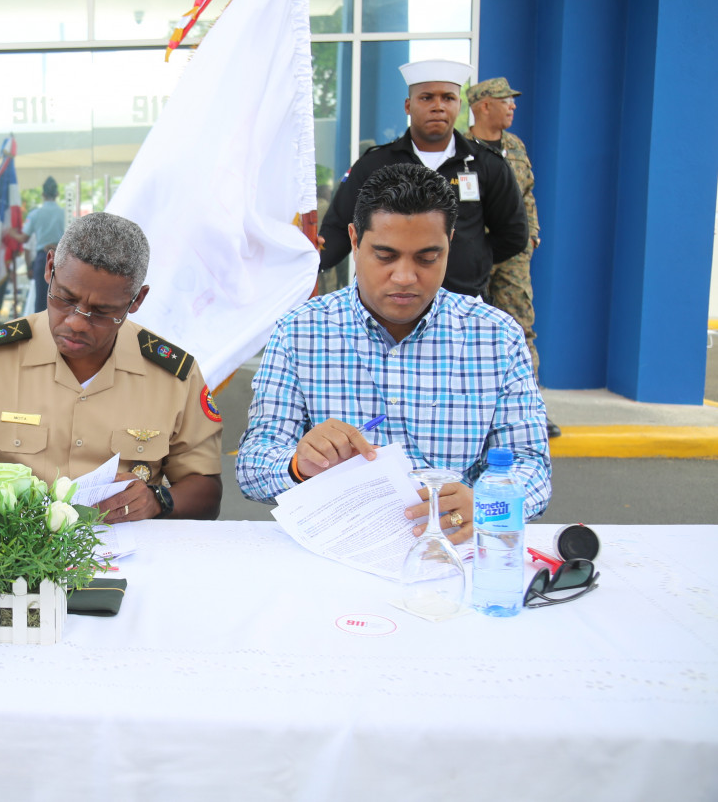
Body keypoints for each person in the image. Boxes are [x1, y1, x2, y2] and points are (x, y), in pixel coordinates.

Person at [238, 163, 551, 542]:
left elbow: (531, 465)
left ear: (450, 243)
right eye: (385, 256)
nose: (404, 277)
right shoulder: (300, 331)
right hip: (337, 549)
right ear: (354, 240)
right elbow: (253, 466)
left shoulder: (495, 336)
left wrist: (488, 504)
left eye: (427, 258)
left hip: (453, 548)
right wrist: (298, 465)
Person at [0, 212, 224, 523]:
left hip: (129, 544)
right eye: (65, 298)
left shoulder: (172, 375)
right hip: (11, 545)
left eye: (101, 311)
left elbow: (206, 489)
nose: (76, 322)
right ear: (50, 267)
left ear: (136, 300)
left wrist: (157, 500)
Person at [317, 59, 528, 300]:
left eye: (448, 98)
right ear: (408, 105)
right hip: (387, 302)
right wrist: (312, 259)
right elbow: (339, 229)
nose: (438, 106)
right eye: (426, 98)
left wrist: (472, 258)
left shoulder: (486, 164)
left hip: (461, 301)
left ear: (459, 105)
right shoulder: (375, 164)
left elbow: (513, 234)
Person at [466, 76, 560, 438]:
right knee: (466, 328)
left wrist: (531, 233)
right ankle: (475, 407)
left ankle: (531, 411)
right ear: (484, 105)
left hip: (513, 254)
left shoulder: (515, 146)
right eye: (506, 100)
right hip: (471, 252)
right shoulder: (460, 149)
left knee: (520, 326)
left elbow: (527, 194)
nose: (513, 106)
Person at [23, 176, 65, 313]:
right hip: (61, 258)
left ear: (43, 194)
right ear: (57, 194)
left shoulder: (36, 214)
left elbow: (24, 239)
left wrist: (10, 232)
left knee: (41, 301)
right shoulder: (64, 213)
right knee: (60, 300)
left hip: (43, 258)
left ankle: (41, 326)